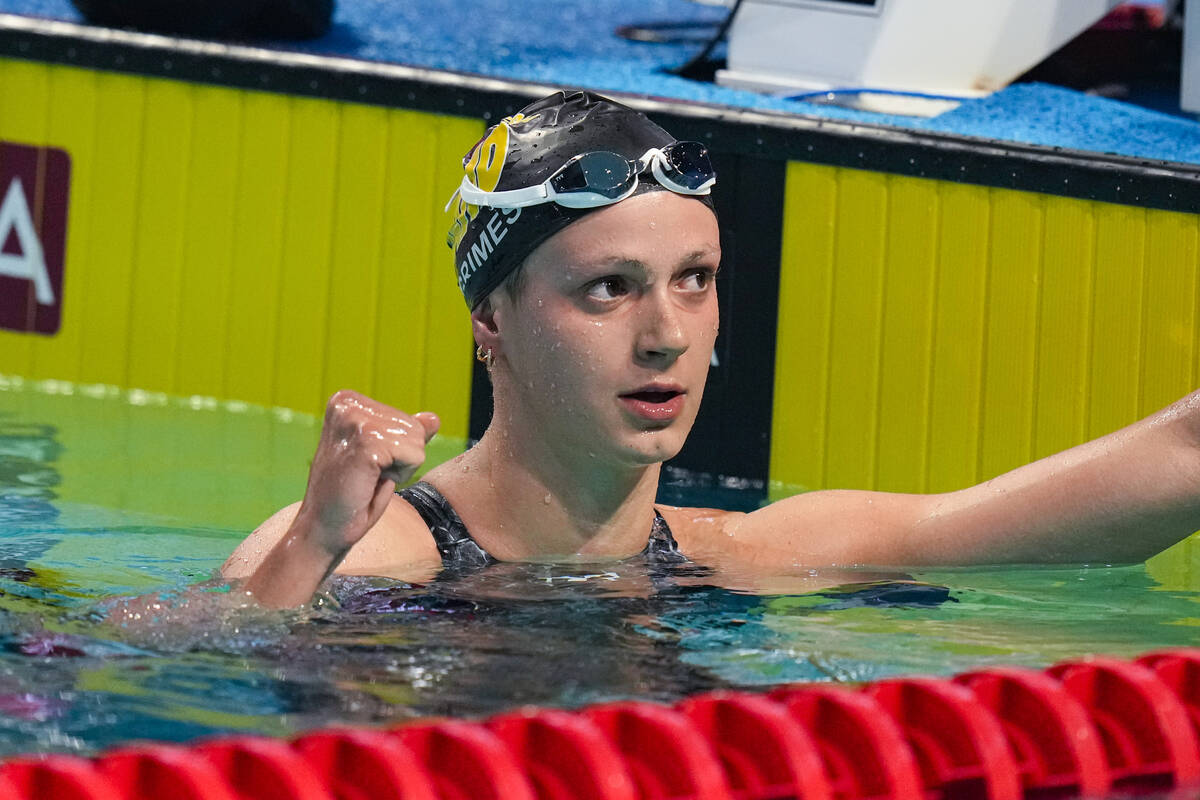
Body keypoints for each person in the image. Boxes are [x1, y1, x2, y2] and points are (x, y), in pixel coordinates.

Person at [223, 90, 1200, 609]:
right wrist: (314, 540)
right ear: (492, 319)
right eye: (609, 287)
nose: (668, 334)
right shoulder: (374, 551)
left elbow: (1168, 463)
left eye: (695, 278)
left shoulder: (738, 554)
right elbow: (172, 685)